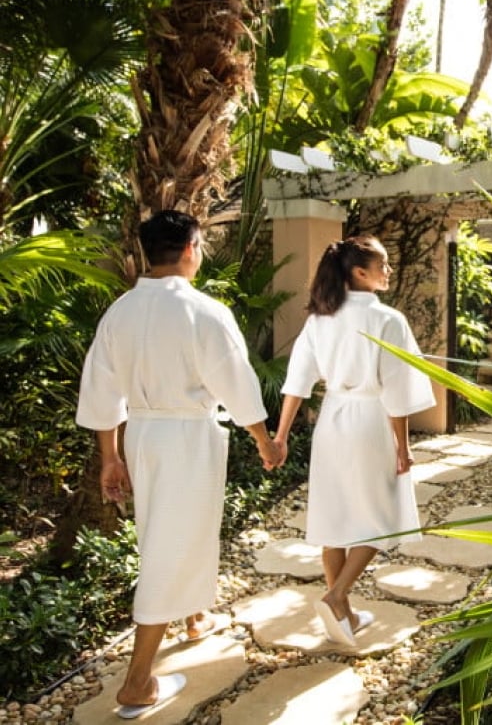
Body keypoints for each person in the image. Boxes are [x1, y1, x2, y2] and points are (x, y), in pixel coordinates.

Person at [76, 209, 280, 719]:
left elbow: (101, 391)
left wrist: (111, 457)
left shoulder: (120, 312)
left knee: (168, 531)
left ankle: (194, 618)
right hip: (187, 436)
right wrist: (264, 439)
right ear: (191, 249)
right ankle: (138, 681)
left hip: (143, 435)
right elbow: (236, 381)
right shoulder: (205, 311)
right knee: (170, 544)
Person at [272, 235, 435, 646]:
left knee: (333, 515)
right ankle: (337, 594)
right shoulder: (387, 320)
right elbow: (397, 389)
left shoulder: (319, 319)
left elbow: (297, 383)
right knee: (380, 517)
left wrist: (281, 435)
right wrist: (404, 446)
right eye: (382, 266)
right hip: (371, 420)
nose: (389, 272)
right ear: (359, 273)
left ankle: (342, 613)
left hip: (332, 420)